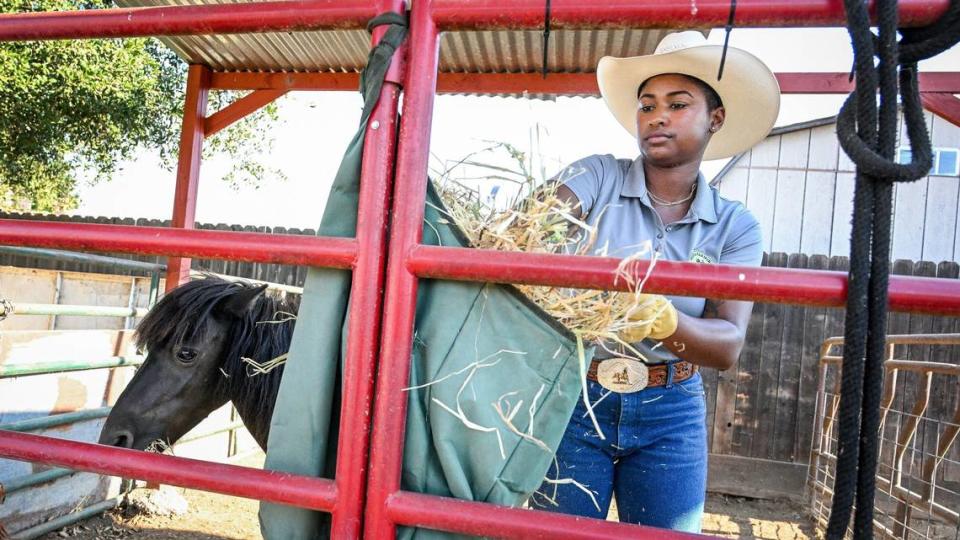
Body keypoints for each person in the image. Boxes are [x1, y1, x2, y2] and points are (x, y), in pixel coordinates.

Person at [528, 31, 780, 532]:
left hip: (671, 408)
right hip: (577, 396)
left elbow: (728, 344)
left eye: (678, 103)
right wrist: (540, 232)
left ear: (716, 117)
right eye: (647, 105)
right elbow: (533, 228)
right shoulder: (596, 177)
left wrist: (665, 319)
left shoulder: (735, 226)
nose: (656, 116)